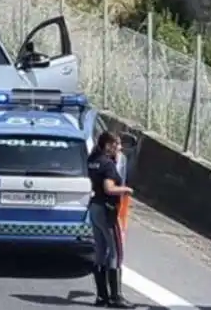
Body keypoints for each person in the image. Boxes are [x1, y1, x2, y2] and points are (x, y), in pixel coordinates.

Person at [87, 132, 134, 308]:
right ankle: (116, 297)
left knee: (100, 251)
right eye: (117, 145)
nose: (119, 148)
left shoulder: (93, 160)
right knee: (115, 252)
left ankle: (101, 296)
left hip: (94, 208)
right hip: (107, 210)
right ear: (108, 145)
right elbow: (109, 188)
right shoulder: (107, 164)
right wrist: (125, 189)